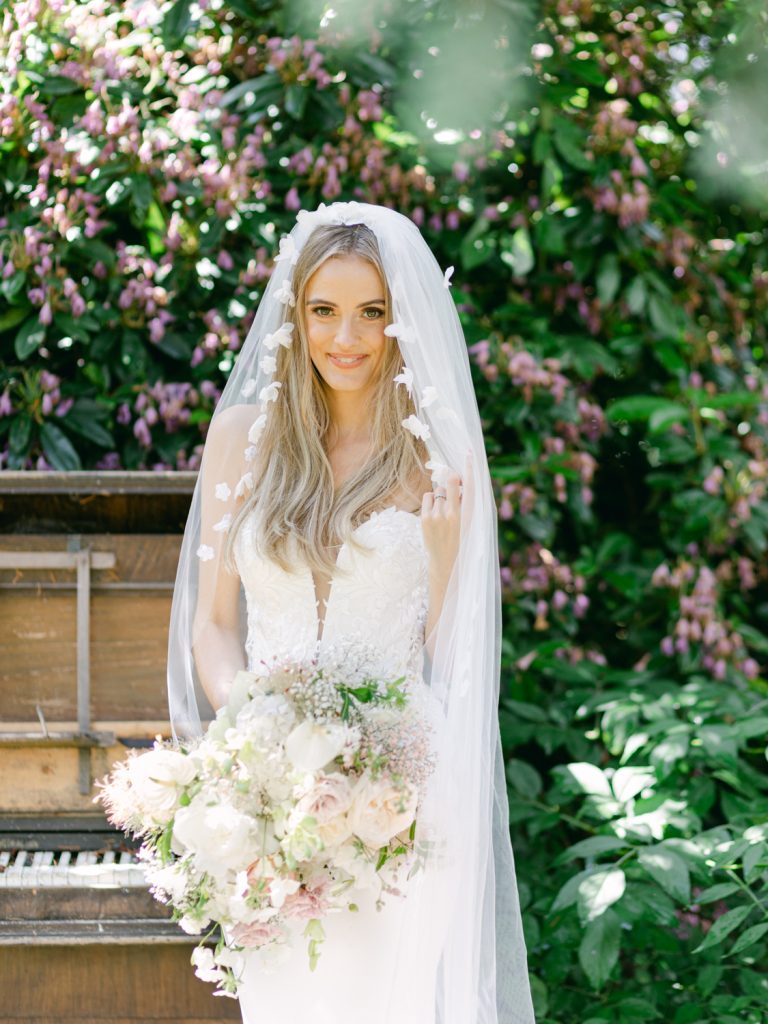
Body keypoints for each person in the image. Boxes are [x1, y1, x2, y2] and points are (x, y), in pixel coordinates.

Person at [166, 201, 536, 1024]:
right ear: (294, 317)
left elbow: (452, 660)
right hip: (270, 791)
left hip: (403, 797)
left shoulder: (438, 458)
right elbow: (213, 626)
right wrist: (257, 728)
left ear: (400, 323)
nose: (347, 337)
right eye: (324, 311)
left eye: (372, 313)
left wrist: (444, 563)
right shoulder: (242, 439)